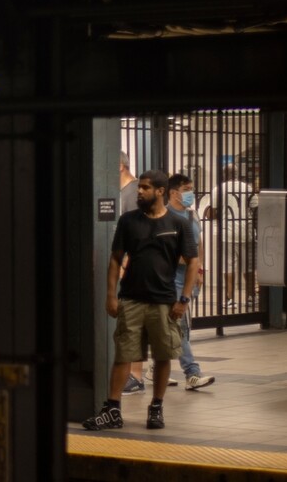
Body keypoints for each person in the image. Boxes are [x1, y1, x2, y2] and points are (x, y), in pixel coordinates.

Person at [83, 170, 198, 431]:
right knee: (124, 354)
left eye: (145, 188)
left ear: (160, 191)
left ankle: (156, 407)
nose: (139, 192)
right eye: (139, 188)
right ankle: (112, 410)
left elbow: (193, 262)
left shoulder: (179, 224)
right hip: (131, 299)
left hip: (164, 302)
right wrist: (111, 295)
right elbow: (115, 259)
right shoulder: (128, 221)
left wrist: (184, 298)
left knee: (163, 355)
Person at [152, 173, 215, 391]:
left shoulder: (192, 215)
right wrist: (189, 261)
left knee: (175, 325)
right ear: (173, 192)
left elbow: (198, 243)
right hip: (170, 279)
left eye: (191, 188)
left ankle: (156, 366)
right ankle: (192, 373)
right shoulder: (163, 216)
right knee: (179, 327)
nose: (191, 193)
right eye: (187, 188)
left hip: (189, 278)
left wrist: (199, 269)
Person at [118, 152, 151, 394]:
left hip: (132, 267)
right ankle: (131, 372)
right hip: (123, 265)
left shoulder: (132, 193)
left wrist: (126, 262)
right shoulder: (122, 192)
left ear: (120, 166)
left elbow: (137, 231)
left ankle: (137, 375)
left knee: (134, 322)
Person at [204, 164, 259, 308]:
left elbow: (211, 213)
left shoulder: (219, 189)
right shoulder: (247, 188)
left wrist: (214, 215)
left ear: (224, 175)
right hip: (246, 232)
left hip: (227, 232)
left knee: (229, 266)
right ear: (237, 174)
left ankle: (230, 299)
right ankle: (251, 297)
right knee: (249, 266)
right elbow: (255, 208)